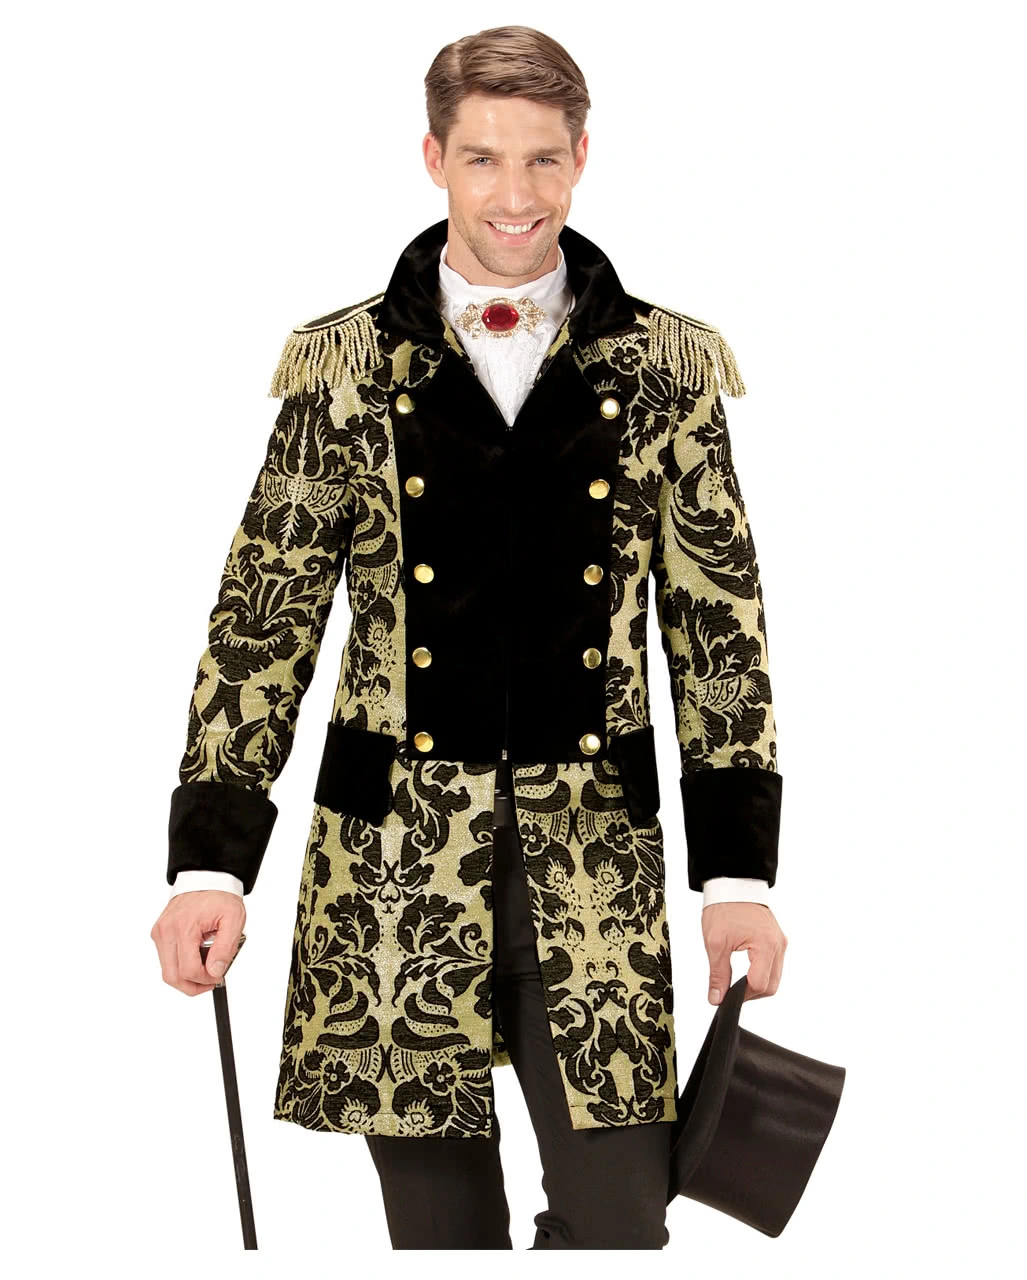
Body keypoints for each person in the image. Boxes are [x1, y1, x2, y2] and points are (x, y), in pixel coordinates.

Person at [150, 24, 788, 1250]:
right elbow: (261, 620)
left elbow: (721, 630)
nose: (515, 193)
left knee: (619, 1220)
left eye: (543, 158)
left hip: (592, 861)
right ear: (433, 157)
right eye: (484, 157)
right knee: (440, 1237)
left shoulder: (666, 368)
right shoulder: (345, 365)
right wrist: (208, 866)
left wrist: (738, 881)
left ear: (583, 157)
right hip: (392, 864)